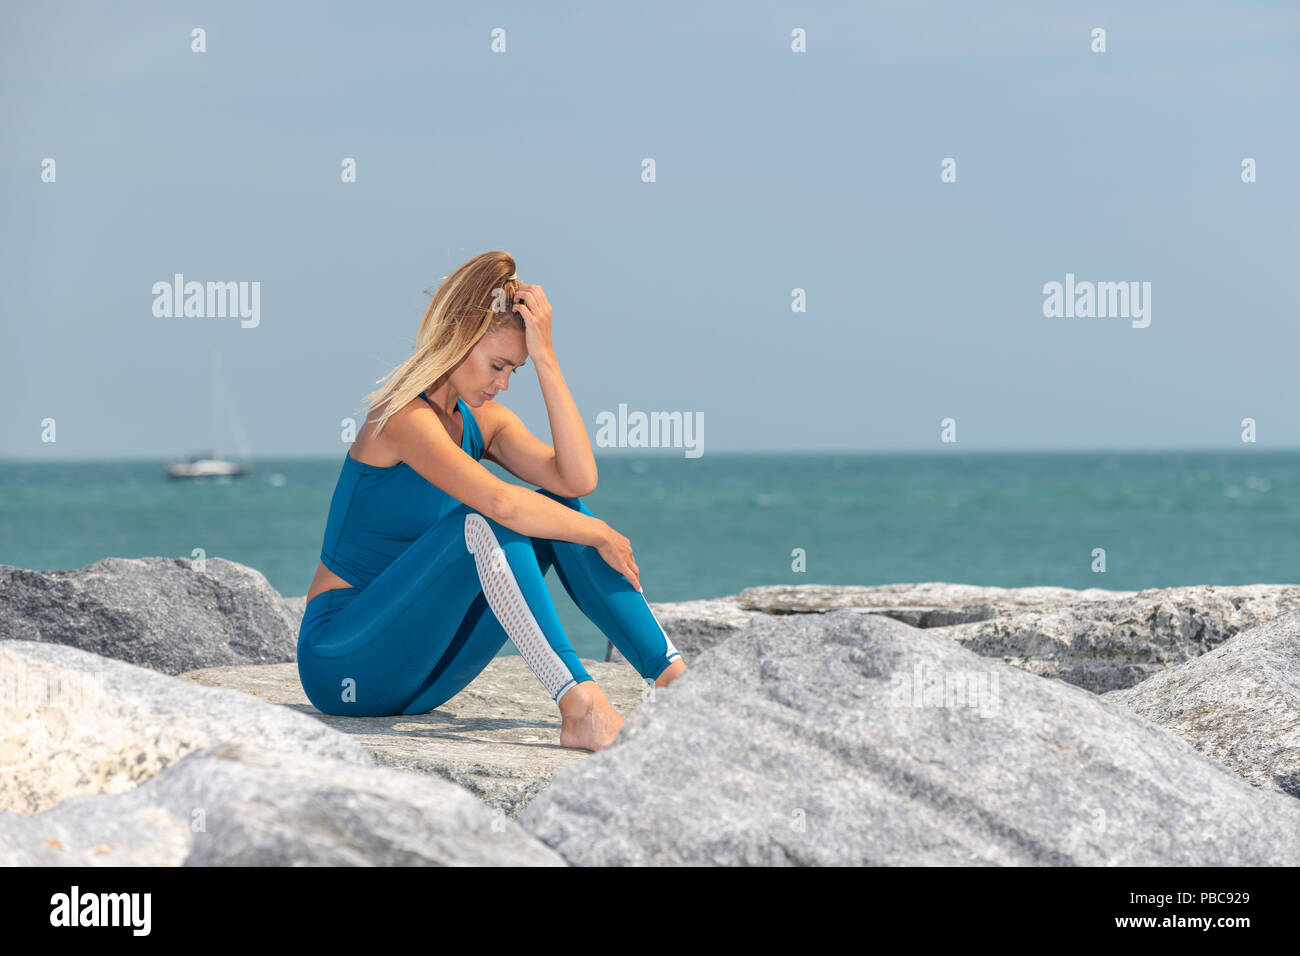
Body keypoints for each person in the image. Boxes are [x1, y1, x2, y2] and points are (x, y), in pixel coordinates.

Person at [298, 251, 686, 751]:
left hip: (421, 679)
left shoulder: (485, 423)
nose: (502, 383)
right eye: (497, 364)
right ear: (457, 338)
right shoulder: (398, 417)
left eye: (514, 371)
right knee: (492, 518)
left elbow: (576, 480)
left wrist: (546, 357)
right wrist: (602, 533)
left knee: (559, 510)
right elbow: (500, 505)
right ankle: (581, 707)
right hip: (343, 661)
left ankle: (676, 684)